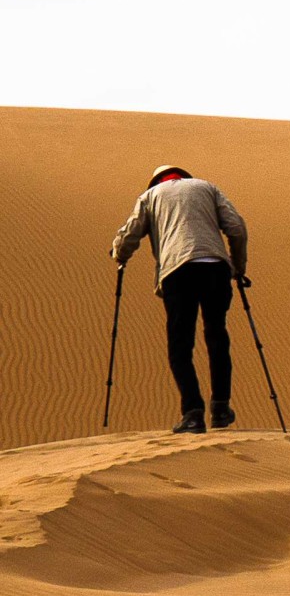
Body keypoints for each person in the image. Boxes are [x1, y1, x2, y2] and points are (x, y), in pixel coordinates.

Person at [112, 165, 248, 434]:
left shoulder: (150, 197)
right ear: (184, 177)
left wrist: (120, 255)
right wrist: (238, 267)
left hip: (178, 271)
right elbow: (237, 228)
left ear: (157, 181)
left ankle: (192, 413)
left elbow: (130, 234)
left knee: (180, 344)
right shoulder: (208, 187)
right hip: (215, 270)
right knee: (217, 335)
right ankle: (220, 408)